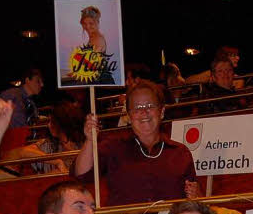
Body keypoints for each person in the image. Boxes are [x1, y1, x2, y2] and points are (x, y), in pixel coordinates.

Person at [77, 78, 199, 206]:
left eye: (150, 106)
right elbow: (81, 175)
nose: (144, 112)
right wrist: (90, 140)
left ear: (162, 112)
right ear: (128, 117)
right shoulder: (113, 147)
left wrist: (196, 196)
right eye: (137, 108)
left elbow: (195, 198)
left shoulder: (180, 153)